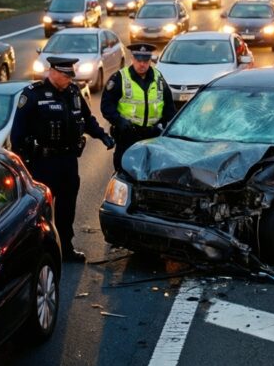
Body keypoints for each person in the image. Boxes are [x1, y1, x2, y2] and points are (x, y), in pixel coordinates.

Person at [11, 56, 114, 262]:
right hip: (43, 163)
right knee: (42, 209)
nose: (69, 79)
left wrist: (102, 136)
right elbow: (17, 135)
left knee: (67, 208)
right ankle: (39, 250)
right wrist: (24, 165)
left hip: (68, 162)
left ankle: (65, 247)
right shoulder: (33, 95)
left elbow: (86, 119)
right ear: (54, 72)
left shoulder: (74, 93)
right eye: (66, 75)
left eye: (70, 75)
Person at [100, 43, 176, 172]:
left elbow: (169, 105)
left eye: (146, 61)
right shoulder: (119, 78)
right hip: (128, 135)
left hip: (152, 136)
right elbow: (107, 106)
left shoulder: (158, 78)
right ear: (132, 59)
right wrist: (120, 122)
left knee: (151, 172)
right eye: (139, 60)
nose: (142, 64)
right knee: (124, 171)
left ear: (150, 61)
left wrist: (165, 123)